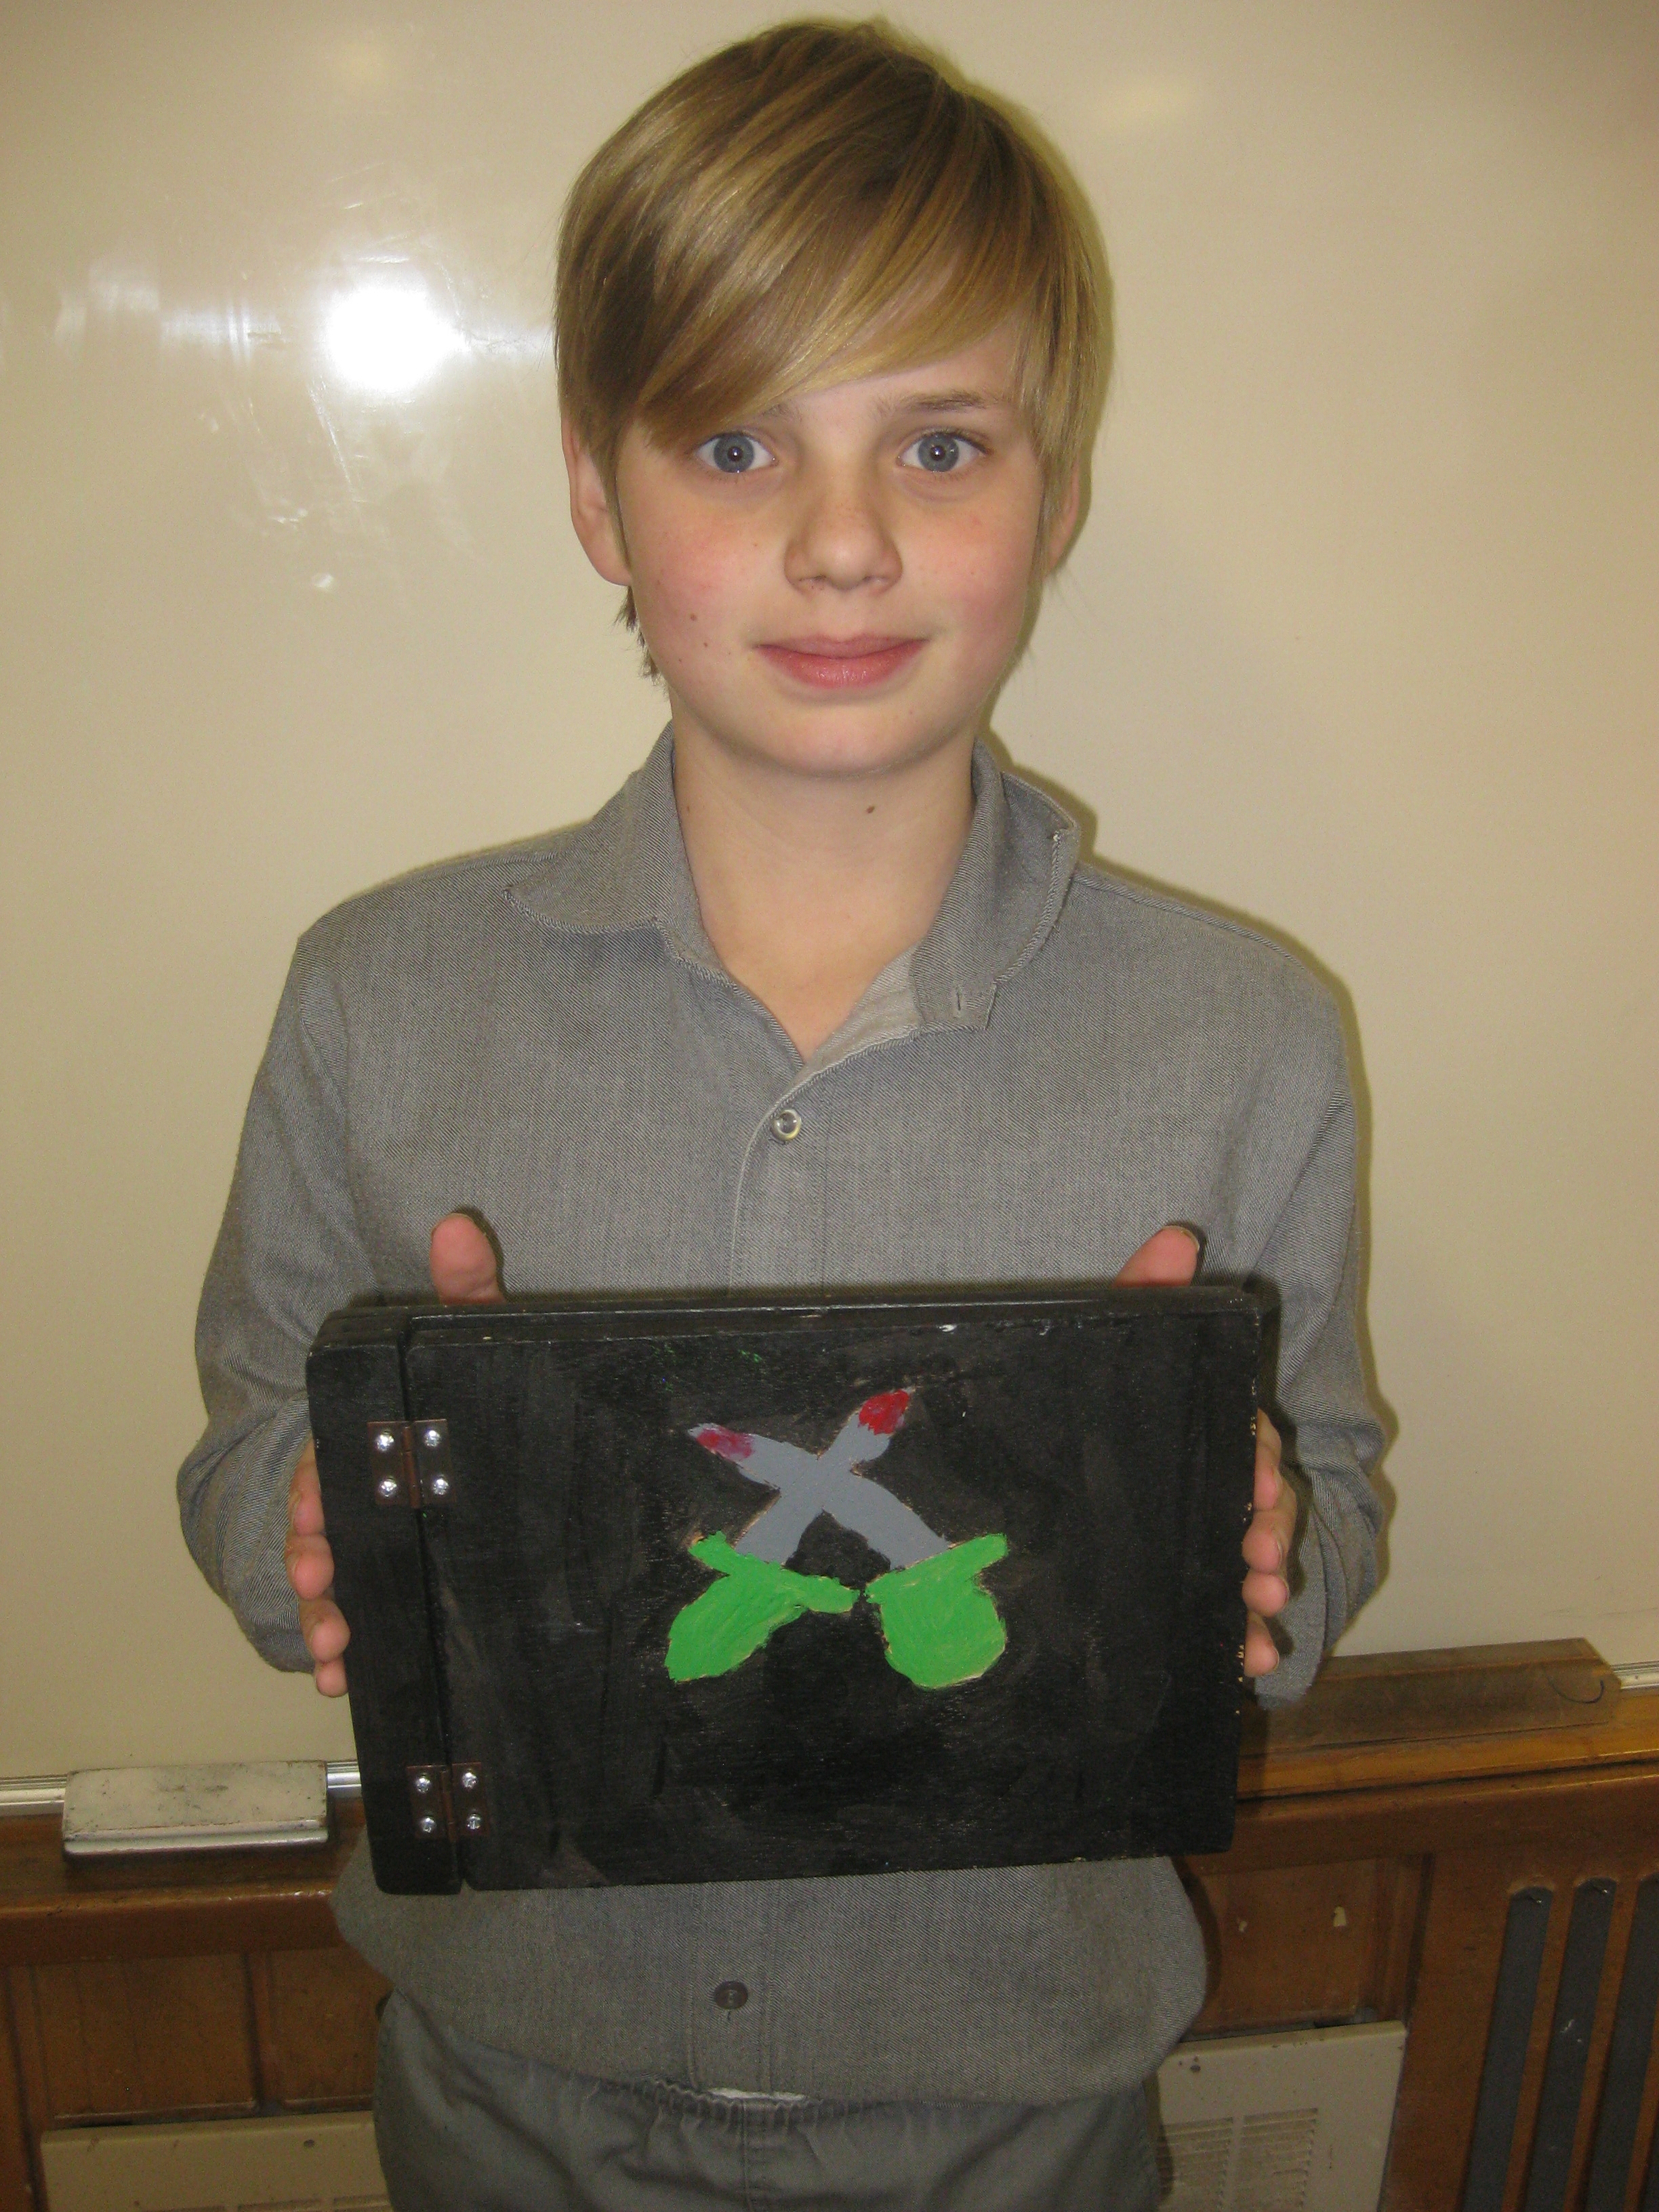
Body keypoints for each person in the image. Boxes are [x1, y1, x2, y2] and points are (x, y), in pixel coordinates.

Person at [179, 18, 1384, 2208]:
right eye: (738, 445)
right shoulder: (380, 997)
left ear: (1057, 497)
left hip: (1018, 2137)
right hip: (510, 2114)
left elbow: (1337, 1505)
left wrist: (1266, 1540)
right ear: (596, 496)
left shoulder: (1249, 1036)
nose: (844, 545)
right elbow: (250, 1434)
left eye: (942, 444)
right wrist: (318, 1517)